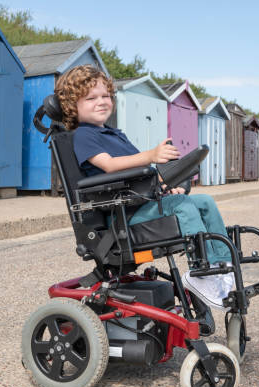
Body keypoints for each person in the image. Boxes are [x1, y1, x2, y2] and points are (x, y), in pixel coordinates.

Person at [54, 65, 234, 315]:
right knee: (183, 208)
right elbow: (109, 166)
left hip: (141, 203)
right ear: (73, 106)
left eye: (105, 96)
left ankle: (221, 266)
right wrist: (150, 155)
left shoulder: (115, 134)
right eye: (91, 98)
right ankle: (200, 272)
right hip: (123, 216)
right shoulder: (84, 136)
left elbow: (139, 173)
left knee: (204, 202)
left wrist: (164, 186)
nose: (102, 102)